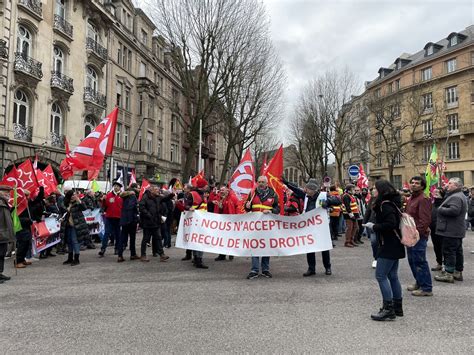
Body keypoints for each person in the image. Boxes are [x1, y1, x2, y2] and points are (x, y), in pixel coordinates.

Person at [364, 180, 405, 321]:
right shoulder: (391, 202)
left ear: (381, 190)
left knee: (381, 275)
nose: (372, 190)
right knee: (393, 276)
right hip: (394, 243)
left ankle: (388, 308)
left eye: (374, 188)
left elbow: (390, 224)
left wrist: (374, 226)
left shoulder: (385, 205)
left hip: (388, 244)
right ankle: (397, 306)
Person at [285, 178, 332, 276]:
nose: (305, 190)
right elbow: (296, 189)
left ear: (313, 190)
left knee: (324, 248)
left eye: (308, 189)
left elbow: (337, 200)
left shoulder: (323, 195)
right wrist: (286, 183)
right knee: (310, 248)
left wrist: (327, 202)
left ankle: (327, 267)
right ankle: (311, 269)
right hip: (309, 227)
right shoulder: (305, 196)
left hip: (321, 227)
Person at [245, 176, 279, 279]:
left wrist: (271, 211)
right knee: (254, 246)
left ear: (267, 183)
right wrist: (247, 206)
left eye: (263, 182)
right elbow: (247, 208)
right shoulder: (252, 193)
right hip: (255, 226)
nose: (260, 183)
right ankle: (254, 270)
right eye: (259, 182)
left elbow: (278, 208)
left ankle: (265, 270)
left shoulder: (273, 194)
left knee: (266, 247)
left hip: (267, 226)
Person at [434, 178, 468, 283]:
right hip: (455, 230)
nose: (447, 185)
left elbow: (454, 210)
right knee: (457, 251)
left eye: (450, 183)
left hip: (451, 230)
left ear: (457, 186)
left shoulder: (456, 197)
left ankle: (449, 274)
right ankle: (457, 272)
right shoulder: (458, 195)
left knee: (449, 251)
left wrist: (440, 208)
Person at [405, 176, 433, 297]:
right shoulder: (412, 198)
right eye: (412, 182)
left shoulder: (423, 199)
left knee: (420, 261)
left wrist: (417, 234)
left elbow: (425, 220)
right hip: (409, 234)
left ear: (422, 186)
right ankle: (419, 281)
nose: (414, 184)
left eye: (417, 183)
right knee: (412, 260)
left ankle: (426, 288)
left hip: (418, 236)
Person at [139, 182, 169, 263]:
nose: (158, 191)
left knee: (158, 238)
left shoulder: (158, 197)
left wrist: (171, 195)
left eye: (158, 190)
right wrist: (148, 214)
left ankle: (162, 255)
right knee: (146, 239)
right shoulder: (145, 197)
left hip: (156, 222)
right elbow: (141, 207)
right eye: (156, 190)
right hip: (147, 222)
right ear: (151, 190)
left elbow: (165, 199)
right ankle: (143, 255)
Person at [61, 190, 89, 266]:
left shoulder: (78, 203)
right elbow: (62, 213)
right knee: (69, 241)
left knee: (74, 241)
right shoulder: (65, 203)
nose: (73, 196)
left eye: (74, 195)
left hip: (76, 225)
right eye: (71, 195)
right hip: (67, 225)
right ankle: (70, 258)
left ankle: (76, 258)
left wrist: (79, 200)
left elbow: (84, 207)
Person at [214, 186, 239, 261]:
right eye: (220, 190)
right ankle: (222, 255)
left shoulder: (233, 198)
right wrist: (219, 206)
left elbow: (237, 207)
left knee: (230, 238)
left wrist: (237, 218)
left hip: (230, 221)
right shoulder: (218, 199)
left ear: (227, 191)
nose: (221, 191)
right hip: (222, 222)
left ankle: (231, 253)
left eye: (223, 190)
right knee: (222, 239)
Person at [99, 181, 123, 256]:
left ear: (120, 187)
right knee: (107, 233)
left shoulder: (122, 196)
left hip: (118, 218)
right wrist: (103, 200)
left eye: (117, 186)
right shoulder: (108, 195)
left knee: (118, 234)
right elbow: (104, 206)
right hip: (109, 217)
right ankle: (103, 249)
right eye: (115, 186)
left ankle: (117, 248)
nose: (116, 187)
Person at [118, 187, 140, 262]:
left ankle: (120, 255)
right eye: (137, 187)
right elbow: (130, 208)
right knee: (132, 238)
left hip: (124, 220)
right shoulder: (132, 197)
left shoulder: (123, 197)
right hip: (130, 221)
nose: (138, 189)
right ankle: (132, 254)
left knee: (122, 238)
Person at [0, 185, 14, 283]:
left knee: (2, 254)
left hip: (3, 233)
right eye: (6, 192)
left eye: (9, 192)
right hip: (1, 232)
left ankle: (0, 272)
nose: (8, 194)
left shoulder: (4, 203)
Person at [430, 187, 445, 272]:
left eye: (437, 193)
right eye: (434, 192)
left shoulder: (444, 203)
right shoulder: (432, 204)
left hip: (442, 229)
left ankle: (445, 265)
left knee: (443, 247)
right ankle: (439, 263)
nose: (435, 194)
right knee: (436, 247)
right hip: (433, 229)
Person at [363, 188, 378, 268]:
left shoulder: (386, 199)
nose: (373, 190)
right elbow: (368, 211)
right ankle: (376, 258)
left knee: (382, 243)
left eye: (376, 188)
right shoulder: (372, 199)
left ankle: (383, 259)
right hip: (372, 224)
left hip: (383, 225)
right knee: (374, 242)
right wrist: (364, 222)